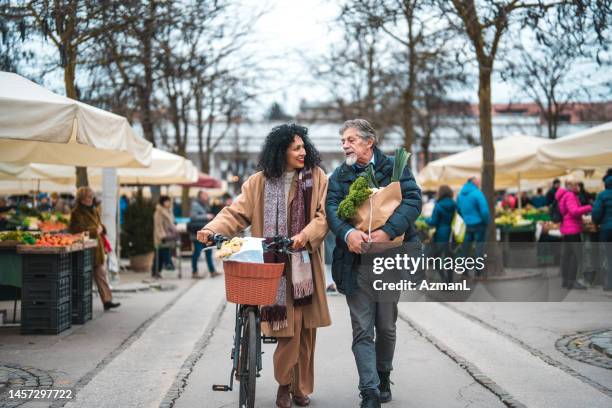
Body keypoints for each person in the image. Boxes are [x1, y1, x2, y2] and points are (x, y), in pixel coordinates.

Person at [197, 124, 331, 408]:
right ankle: (285, 384)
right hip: (272, 267)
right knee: (287, 330)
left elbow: (322, 216)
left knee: (306, 331)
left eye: (304, 146)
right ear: (280, 151)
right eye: (296, 148)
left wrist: (304, 236)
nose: (302, 152)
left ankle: (300, 388)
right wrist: (211, 228)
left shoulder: (317, 177)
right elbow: (236, 212)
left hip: (304, 263)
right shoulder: (258, 182)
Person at [326, 119, 422, 408]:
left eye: (351, 139)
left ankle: (383, 376)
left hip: (389, 261)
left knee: (386, 326)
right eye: (343, 140)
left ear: (370, 142)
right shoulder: (339, 176)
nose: (345, 145)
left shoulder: (394, 167)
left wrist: (387, 231)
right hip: (355, 263)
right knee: (362, 329)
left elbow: (412, 201)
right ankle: (368, 391)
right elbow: (332, 209)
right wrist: (347, 232)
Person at [69, 187, 120, 311]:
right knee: (85, 278)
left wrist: (102, 228)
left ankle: (107, 300)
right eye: (88, 197)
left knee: (101, 274)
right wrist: (94, 231)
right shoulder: (76, 212)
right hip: (84, 249)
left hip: (97, 247)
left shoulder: (94, 210)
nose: (91, 199)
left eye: (91, 196)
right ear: (81, 199)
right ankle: (80, 305)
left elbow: (98, 224)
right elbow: (76, 230)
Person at [555, 178, 592, 289]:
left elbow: (568, 213)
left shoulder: (564, 196)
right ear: (570, 186)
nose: (578, 187)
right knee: (576, 256)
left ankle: (566, 281)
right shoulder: (570, 195)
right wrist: (589, 207)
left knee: (567, 256)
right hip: (573, 230)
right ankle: (572, 281)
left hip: (567, 229)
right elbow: (574, 211)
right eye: (576, 185)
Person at [456, 177, 490, 276]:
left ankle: (464, 270)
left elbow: (458, 210)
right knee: (479, 247)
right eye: (478, 181)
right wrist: (486, 221)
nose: (479, 183)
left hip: (466, 224)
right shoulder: (477, 193)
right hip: (479, 224)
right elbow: (484, 210)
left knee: (465, 248)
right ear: (474, 182)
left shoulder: (460, 194)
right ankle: (478, 272)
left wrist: (464, 218)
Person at [425, 185, 456, 283]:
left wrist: (426, 220)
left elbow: (433, 222)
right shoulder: (455, 204)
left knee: (436, 258)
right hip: (452, 234)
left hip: (440, 235)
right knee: (449, 258)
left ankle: (444, 278)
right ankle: (450, 281)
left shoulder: (438, 205)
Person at [190, 190, 219, 278]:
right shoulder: (195, 204)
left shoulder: (204, 204)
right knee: (197, 253)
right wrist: (206, 216)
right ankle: (194, 272)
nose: (207, 196)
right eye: (205, 195)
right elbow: (193, 217)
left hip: (206, 233)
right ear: (200, 195)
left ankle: (212, 271)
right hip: (197, 234)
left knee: (208, 252)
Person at [592, 174, 612, 291]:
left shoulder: (602, 195)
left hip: (607, 230)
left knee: (608, 257)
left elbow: (596, 213)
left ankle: (609, 284)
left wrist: (596, 221)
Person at [153, 195, 178, 278]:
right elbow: (158, 225)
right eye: (167, 201)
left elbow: (171, 223)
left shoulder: (168, 211)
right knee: (160, 252)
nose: (168, 203)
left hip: (168, 235)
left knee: (159, 254)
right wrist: (162, 236)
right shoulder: (159, 212)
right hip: (162, 235)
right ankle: (167, 264)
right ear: (163, 202)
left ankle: (156, 271)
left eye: (169, 201)